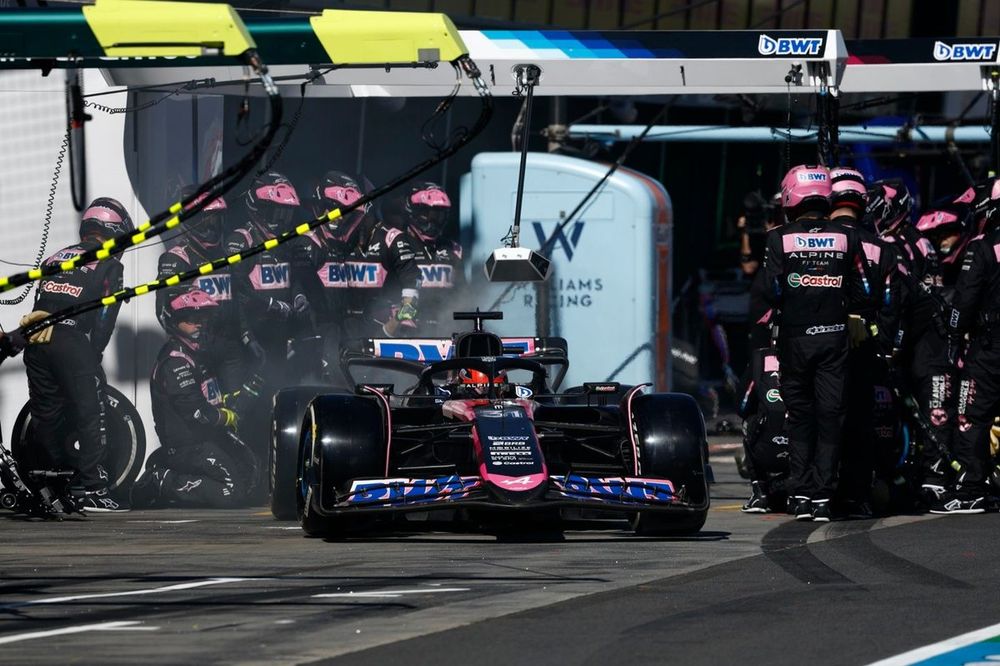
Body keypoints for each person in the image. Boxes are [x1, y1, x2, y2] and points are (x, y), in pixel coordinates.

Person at [763, 165, 874, 522]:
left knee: (800, 417)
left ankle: (800, 493)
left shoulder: (778, 238)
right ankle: (824, 495)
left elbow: (771, 290)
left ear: (791, 195)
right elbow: (865, 290)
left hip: (795, 339)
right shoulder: (846, 236)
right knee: (830, 416)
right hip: (834, 338)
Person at [23, 197, 131, 512]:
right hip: (72, 341)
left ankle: (50, 487)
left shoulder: (54, 257)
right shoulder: (110, 264)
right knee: (92, 412)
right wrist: (92, 355)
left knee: (46, 415)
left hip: (36, 339)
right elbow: (104, 320)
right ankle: (93, 489)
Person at [132, 290, 258, 508]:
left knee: (251, 479)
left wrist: (230, 401)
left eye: (203, 318)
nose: (199, 323)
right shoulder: (176, 360)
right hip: (188, 446)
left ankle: (170, 470)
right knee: (232, 492)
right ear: (174, 322)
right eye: (191, 319)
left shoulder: (198, 353)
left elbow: (209, 396)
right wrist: (226, 416)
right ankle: (160, 480)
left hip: (207, 440)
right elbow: (196, 412)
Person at [936, 222, 1000, 514]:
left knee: (971, 415)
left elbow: (964, 299)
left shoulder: (983, 246)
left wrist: (953, 334)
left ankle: (972, 488)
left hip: (989, 346)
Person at [227, 171, 313, 384]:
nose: (281, 221)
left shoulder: (287, 241)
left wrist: (299, 296)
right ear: (259, 209)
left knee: (281, 389)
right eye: (276, 213)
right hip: (251, 334)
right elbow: (236, 293)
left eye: (286, 214)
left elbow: (293, 279)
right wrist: (249, 335)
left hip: (281, 334)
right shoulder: (242, 240)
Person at [156, 188, 244, 392]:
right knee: (204, 405)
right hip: (197, 348)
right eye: (206, 221)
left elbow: (238, 300)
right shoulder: (176, 258)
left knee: (238, 404)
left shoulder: (225, 255)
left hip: (229, 346)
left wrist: (247, 336)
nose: (212, 228)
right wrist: (191, 344)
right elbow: (162, 310)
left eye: (216, 220)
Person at [385, 181, 466, 335]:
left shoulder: (454, 250)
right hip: (404, 330)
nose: (433, 221)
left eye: (439, 216)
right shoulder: (394, 244)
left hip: (444, 328)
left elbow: (463, 293)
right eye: (428, 214)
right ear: (413, 212)